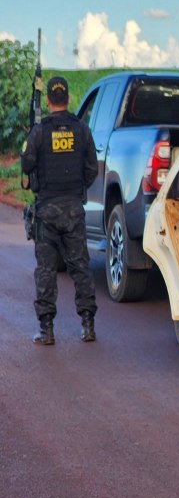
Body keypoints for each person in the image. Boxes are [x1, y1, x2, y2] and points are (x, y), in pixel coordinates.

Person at [21, 76, 99, 345]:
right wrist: (77, 188)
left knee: (46, 270)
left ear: (49, 101)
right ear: (67, 99)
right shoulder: (81, 129)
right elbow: (92, 168)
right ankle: (88, 326)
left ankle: (47, 330)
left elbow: (27, 163)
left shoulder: (40, 131)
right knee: (80, 267)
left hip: (47, 210)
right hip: (74, 208)